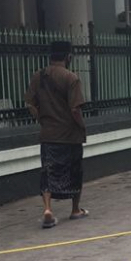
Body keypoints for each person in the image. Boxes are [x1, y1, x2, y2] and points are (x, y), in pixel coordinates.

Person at [24, 41, 87, 229]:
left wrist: (42, 119)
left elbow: (30, 104)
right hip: (69, 135)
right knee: (74, 170)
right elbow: (75, 109)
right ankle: (75, 209)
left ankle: (47, 209)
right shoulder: (71, 78)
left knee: (48, 171)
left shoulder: (38, 76)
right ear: (68, 57)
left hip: (48, 134)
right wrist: (81, 125)